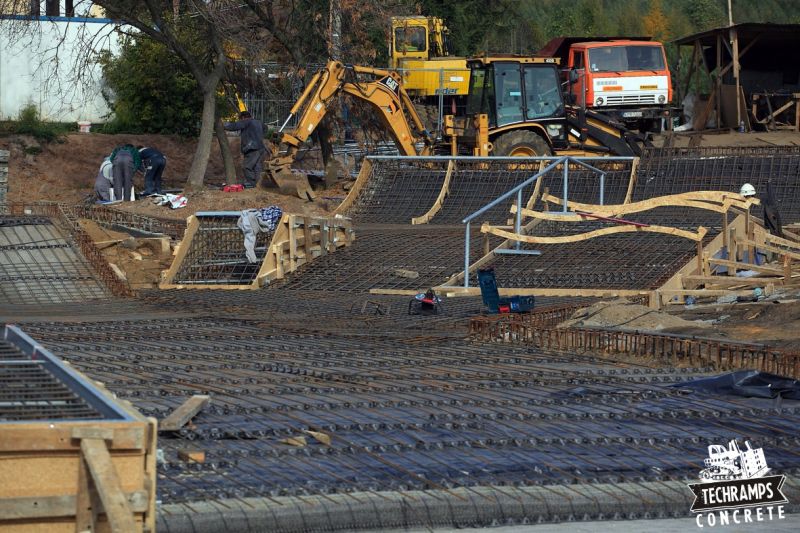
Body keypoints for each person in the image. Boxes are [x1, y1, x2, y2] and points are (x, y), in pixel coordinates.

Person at [224, 111, 266, 187]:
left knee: (247, 167)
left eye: (240, 119)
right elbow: (265, 128)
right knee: (257, 167)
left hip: (252, 148)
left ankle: (252, 183)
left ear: (243, 117)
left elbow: (234, 126)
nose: (240, 120)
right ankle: (259, 183)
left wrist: (222, 124)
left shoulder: (246, 121)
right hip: (261, 148)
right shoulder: (259, 122)